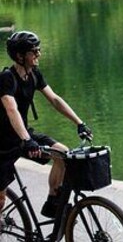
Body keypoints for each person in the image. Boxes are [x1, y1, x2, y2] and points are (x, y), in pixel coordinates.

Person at [0, 31, 92, 220]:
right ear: (20, 56)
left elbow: (55, 100)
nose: (38, 54)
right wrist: (27, 140)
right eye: (34, 51)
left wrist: (79, 122)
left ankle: (52, 202)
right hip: (3, 144)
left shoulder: (34, 75)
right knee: (0, 200)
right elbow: (12, 110)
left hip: (23, 137)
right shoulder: (6, 79)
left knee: (62, 154)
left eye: (38, 50)